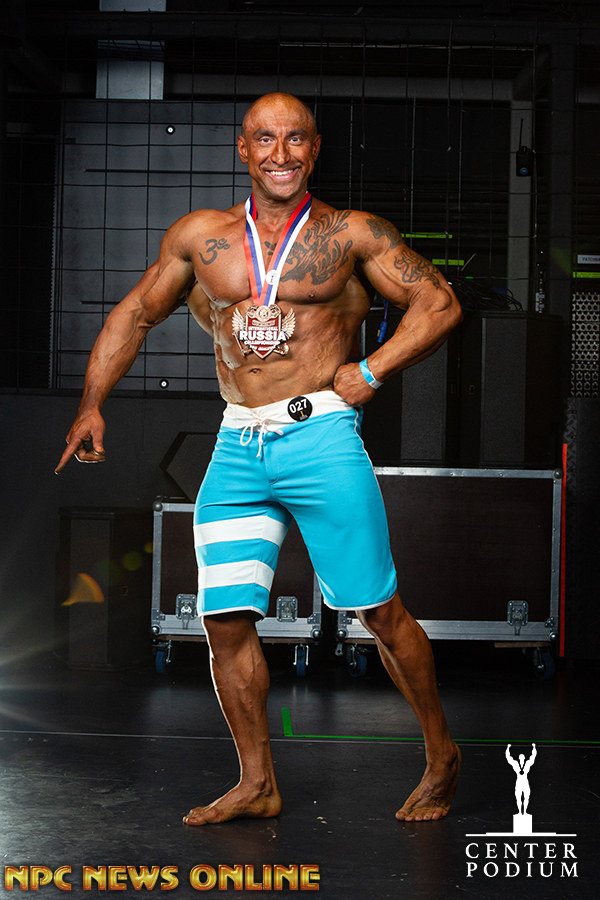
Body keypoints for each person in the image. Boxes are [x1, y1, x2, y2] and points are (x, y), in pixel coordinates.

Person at [55, 92, 463, 825]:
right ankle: (257, 783)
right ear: (243, 150)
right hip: (238, 443)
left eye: (296, 138)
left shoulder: (351, 233)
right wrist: (91, 403)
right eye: (265, 139)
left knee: (377, 610)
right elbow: (136, 313)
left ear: (315, 148)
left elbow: (439, 302)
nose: (281, 153)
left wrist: (373, 371)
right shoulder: (199, 236)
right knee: (224, 619)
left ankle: (441, 756)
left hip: (321, 437)